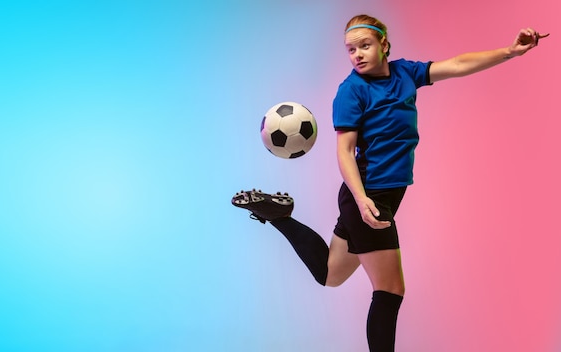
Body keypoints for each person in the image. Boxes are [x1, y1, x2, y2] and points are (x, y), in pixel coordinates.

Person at [232, 14, 548, 352]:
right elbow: (345, 151)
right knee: (390, 289)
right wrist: (362, 199)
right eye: (351, 49)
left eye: (365, 45)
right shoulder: (351, 91)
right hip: (368, 196)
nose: (357, 54)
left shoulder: (405, 73)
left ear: (384, 44)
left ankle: (281, 217)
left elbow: (456, 64)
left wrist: (511, 51)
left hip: (378, 196)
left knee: (330, 274)